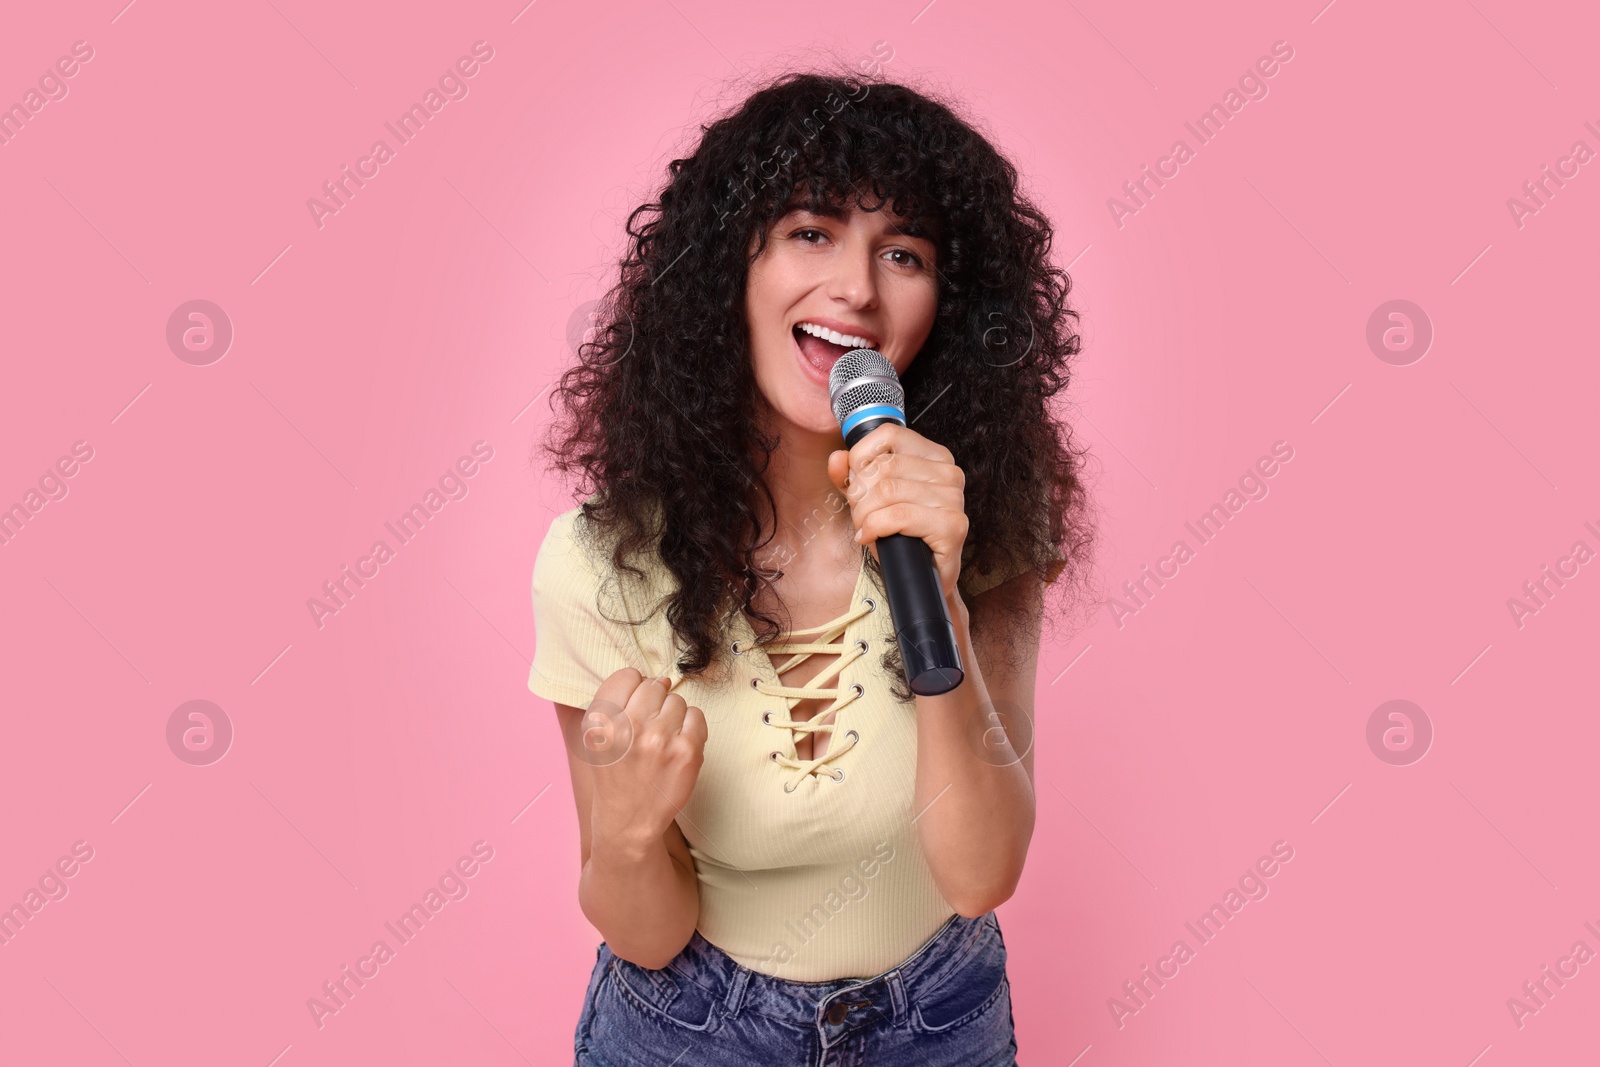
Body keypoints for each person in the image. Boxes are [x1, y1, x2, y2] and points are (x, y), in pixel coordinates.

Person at [527, 65, 1091, 1066]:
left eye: (904, 253)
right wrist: (622, 833)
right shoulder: (600, 564)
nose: (856, 288)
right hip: (686, 1028)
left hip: (936, 1020)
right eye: (811, 232)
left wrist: (943, 608)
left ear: (944, 313)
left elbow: (979, 872)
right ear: (727, 269)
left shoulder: (984, 519)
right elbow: (646, 930)